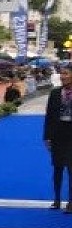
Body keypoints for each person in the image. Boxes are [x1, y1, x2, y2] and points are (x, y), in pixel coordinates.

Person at [44, 65, 72, 212]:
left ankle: (71, 202)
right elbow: (49, 115)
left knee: (71, 168)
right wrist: (47, 136)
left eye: (66, 73)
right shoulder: (55, 93)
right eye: (62, 74)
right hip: (57, 134)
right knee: (57, 168)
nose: (62, 76)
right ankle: (57, 199)